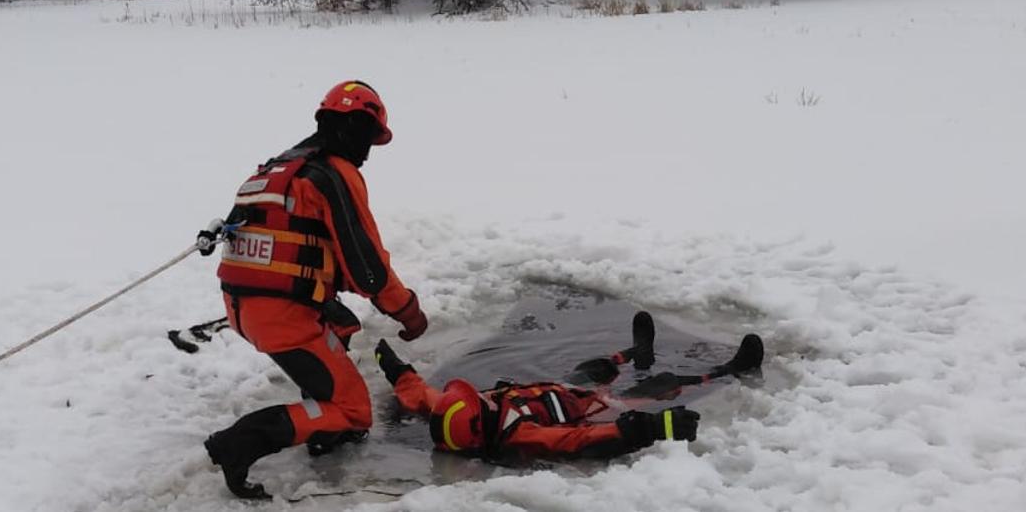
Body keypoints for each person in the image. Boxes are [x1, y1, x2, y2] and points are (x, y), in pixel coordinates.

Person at [201, 80, 430, 499]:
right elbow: (368, 270)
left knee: (342, 324)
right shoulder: (333, 173)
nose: (366, 151)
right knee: (355, 411)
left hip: (245, 306)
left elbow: (300, 246)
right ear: (355, 128)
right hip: (283, 315)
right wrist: (408, 311)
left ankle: (325, 431)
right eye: (367, 137)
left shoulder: (274, 170)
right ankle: (241, 443)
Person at [371, 312, 717, 460]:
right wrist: (652, 427)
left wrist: (394, 367)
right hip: (589, 410)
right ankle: (719, 371)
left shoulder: (455, 414)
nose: (482, 399)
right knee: (657, 387)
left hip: (559, 389)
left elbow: (423, 396)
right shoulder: (521, 435)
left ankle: (635, 354)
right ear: (480, 425)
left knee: (593, 368)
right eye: (482, 404)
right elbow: (575, 439)